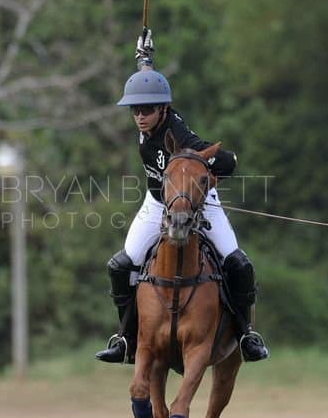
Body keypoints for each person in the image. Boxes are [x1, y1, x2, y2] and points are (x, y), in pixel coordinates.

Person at [95, 28, 269, 365]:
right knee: (120, 266)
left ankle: (246, 334)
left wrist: (211, 163)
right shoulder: (146, 120)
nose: (139, 116)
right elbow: (148, 80)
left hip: (199, 204)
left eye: (146, 110)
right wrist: (144, 58)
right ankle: (126, 339)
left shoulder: (176, 131)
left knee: (238, 262)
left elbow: (226, 160)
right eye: (134, 111)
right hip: (157, 203)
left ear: (162, 109)